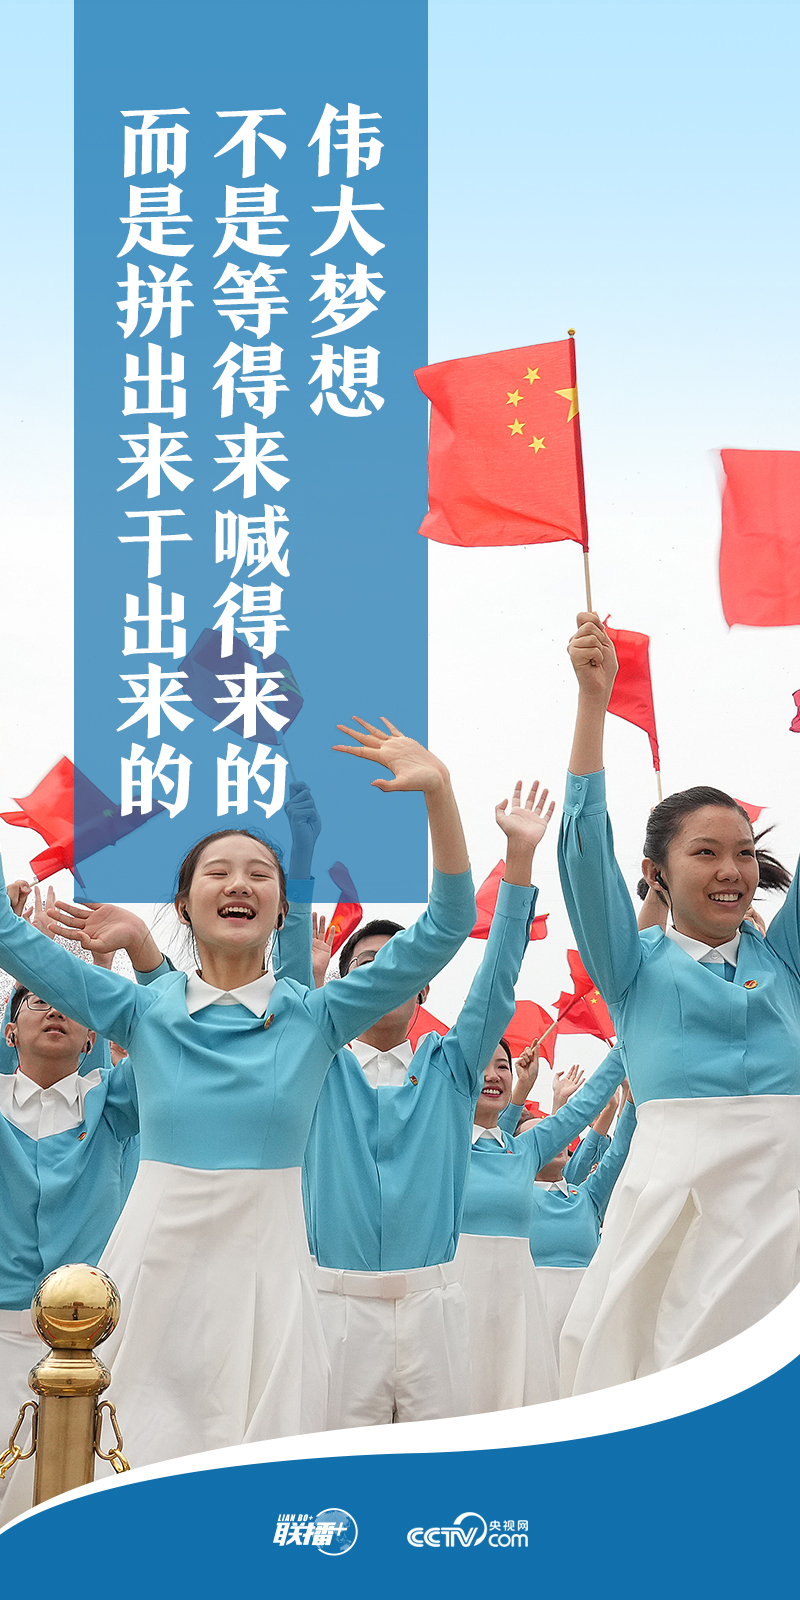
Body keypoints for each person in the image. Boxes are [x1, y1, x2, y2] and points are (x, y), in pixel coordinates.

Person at [0, 718, 476, 1471]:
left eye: (260, 873)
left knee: (260, 1466)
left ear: (282, 908)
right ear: (184, 903)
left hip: (271, 1273)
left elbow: (450, 923)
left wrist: (439, 793)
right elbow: (10, 936)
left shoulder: (318, 1017)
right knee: (130, 1451)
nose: (239, 883)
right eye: (217, 871)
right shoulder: (141, 1010)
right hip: (155, 1264)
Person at [557, 612, 796, 1394]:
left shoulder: (784, 960)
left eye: (744, 854)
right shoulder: (633, 967)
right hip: (679, 1220)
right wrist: (593, 703)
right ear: (656, 873)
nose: (733, 870)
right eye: (706, 853)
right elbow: (583, 849)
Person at [298, 780, 553, 1427]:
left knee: (437, 1469)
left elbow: (497, 979)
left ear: (423, 987)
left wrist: (520, 858)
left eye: (399, 964)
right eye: (366, 965)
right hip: (336, 1305)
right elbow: (289, 991)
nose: (384, 975)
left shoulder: (451, 1065)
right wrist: (300, 857)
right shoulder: (317, 1065)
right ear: (343, 985)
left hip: (433, 1308)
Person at [0, 936, 137, 1511]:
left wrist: (117, 966)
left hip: (92, 1345)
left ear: (91, 1038)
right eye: (38, 1000)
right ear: (10, 1033)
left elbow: (169, 1039)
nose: (55, 1009)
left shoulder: (112, 1102)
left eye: (70, 1005)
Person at [456, 1039, 628, 1413]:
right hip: (460, 1298)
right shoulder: (445, 1145)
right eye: (482, 1065)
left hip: (520, 1305)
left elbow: (584, 1107)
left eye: (503, 1066)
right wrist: (522, 1090)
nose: (493, 1075)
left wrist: (627, 1041)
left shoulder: (525, 1151)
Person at [529, 1083, 636, 1353]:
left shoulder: (587, 1196)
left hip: (587, 1317)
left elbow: (619, 1151)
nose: (554, 1140)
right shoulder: (516, 1198)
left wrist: (631, 1098)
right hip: (533, 1320)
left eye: (556, 1134)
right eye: (542, 1136)